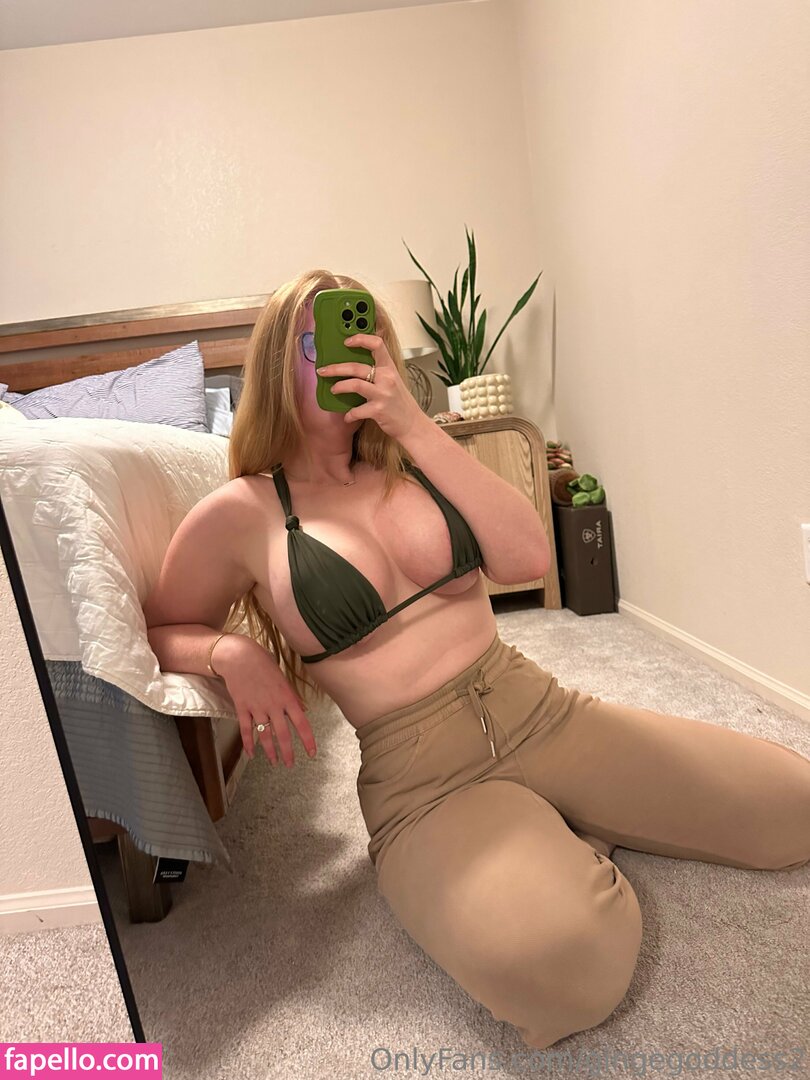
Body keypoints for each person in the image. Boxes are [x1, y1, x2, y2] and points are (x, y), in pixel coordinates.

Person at [144, 269, 810, 1050]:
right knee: (568, 969)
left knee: (794, 806)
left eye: (363, 333)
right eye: (315, 342)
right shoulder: (243, 511)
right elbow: (160, 628)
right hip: (423, 784)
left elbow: (527, 558)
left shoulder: (415, 461)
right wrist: (229, 651)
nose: (346, 354)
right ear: (272, 366)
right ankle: (550, 845)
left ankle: (558, 827)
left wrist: (412, 423)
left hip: (540, 709)